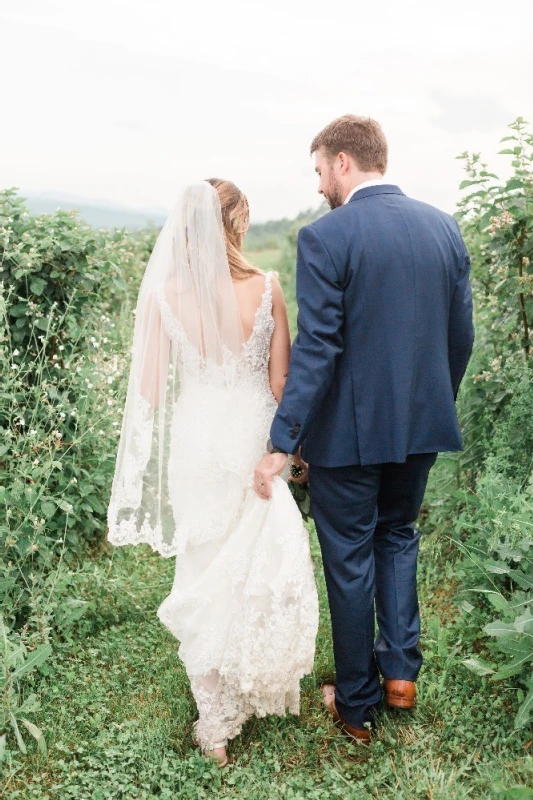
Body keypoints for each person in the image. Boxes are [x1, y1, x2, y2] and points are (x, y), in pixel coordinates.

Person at [254, 114, 475, 745]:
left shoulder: (325, 237)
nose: (319, 180)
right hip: (422, 422)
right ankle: (400, 672)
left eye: (320, 167)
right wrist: (436, 398)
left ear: (344, 162)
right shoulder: (444, 228)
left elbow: (319, 348)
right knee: (398, 534)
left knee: (348, 557)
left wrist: (282, 438)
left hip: (347, 438)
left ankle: (355, 705)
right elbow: (460, 336)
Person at [107, 179, 319, 767]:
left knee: (201, 571)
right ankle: (248, 684)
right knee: (252, 563)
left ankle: (215, 725)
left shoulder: (164, 296)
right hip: (251, 438)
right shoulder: (267, 288)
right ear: (235, 225)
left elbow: (151, 388)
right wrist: (293, 453)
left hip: (197, 442)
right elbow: (280, 385)